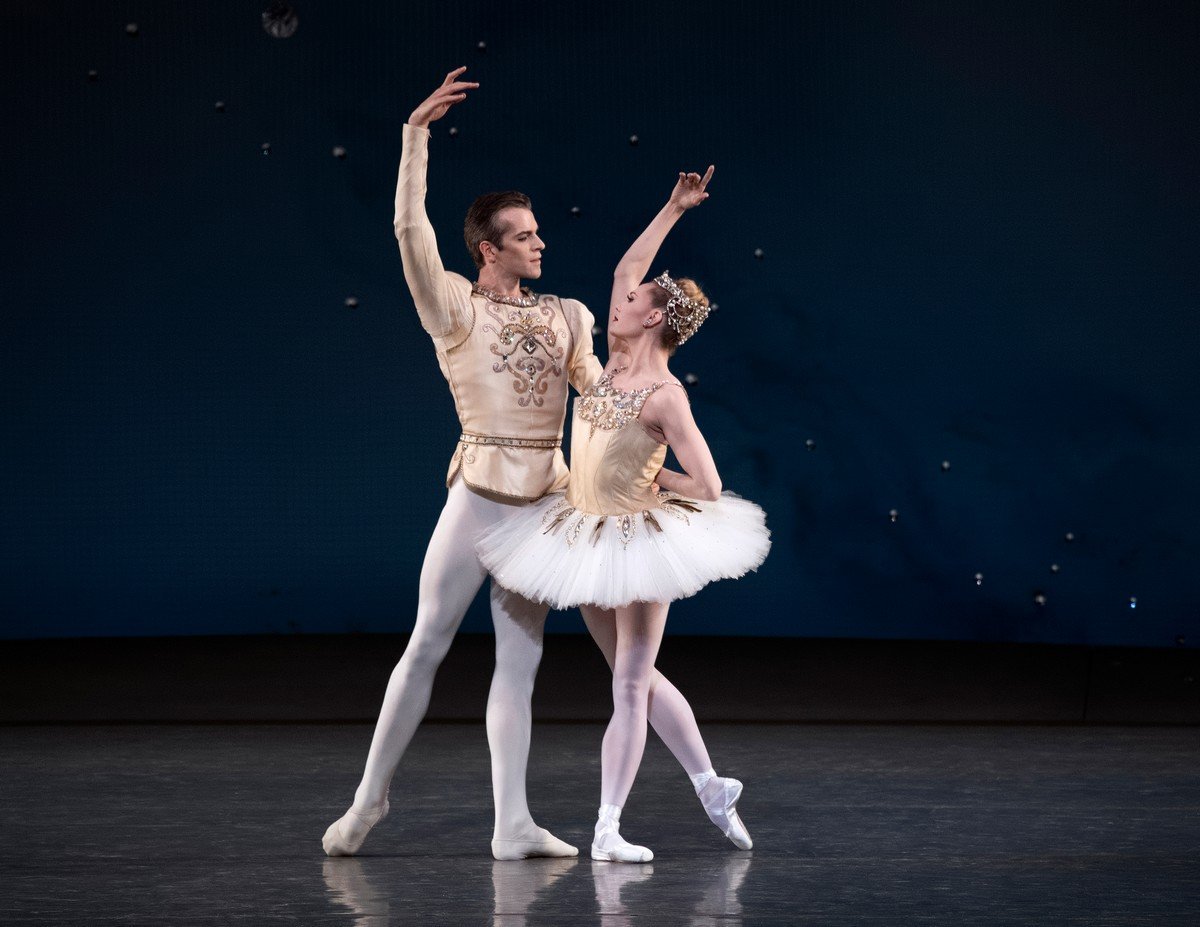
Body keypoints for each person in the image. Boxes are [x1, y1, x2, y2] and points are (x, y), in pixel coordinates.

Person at [321, 68, 732, 863]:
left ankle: (512, 822)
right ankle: (368, 798)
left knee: (521, 663)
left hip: (545, 502)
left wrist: (652, 449)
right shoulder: (455, 307)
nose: (542, 241)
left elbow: (604, 398)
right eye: (525, 234)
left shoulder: (568, 315)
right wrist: (416, 139)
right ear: (489, 248)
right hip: (477, 493)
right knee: (428, 641)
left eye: (539, 231)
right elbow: (411, 234)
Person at [476, 166, 771, 862]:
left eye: (633, 298)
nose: (620, 297)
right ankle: (711, 783)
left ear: (656, 317)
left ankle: (607, 825)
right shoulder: (609, 365)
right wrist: (672, 207)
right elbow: (628, 264)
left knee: (631, 681)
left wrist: (648, 473)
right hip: (585, 534)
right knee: (631, 676)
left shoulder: (665, 395)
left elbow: (707, 483)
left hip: (640, 538)